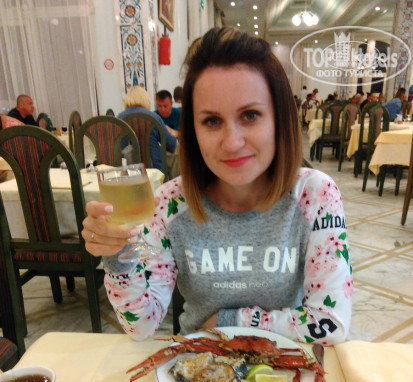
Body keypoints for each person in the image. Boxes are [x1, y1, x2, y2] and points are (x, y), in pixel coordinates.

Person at [82, 27, 352, 345]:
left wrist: (232, 321)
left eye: (250, 115)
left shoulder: (315, 195)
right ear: (193, 131)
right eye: (211, 121)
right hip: (198, 362)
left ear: (279, 119)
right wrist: (119, 254)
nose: (232, 142)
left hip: (283, 363)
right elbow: (142, 325)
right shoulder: (168, 203)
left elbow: (331, 322)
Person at [117, 86, 177, 172]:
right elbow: (171, 145)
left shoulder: (119, 118)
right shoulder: (153, 117)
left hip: (128, 172)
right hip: (154, 171)